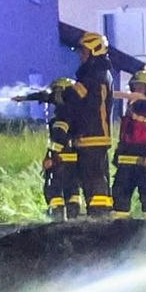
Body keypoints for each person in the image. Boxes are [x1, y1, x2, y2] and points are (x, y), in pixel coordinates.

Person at [45, 28, 115, 220]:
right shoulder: (97, 73)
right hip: (90, 136)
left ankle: (100, 219)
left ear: (94, 51)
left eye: (83, 52)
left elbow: (74, 96)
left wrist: (53, 96)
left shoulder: (94, 74)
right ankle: (99, 217)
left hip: (93, 136)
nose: (81, 56)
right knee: (92, 179)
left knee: (94, 180)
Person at [109, 71, 146, 217]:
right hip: (126, 163)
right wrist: (118, 155)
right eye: (135, 87)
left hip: (145, 163)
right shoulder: (130, 108)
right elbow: (125, 136)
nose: (137, 91)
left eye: (141, 87)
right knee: (119, 199)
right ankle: (119, 232)